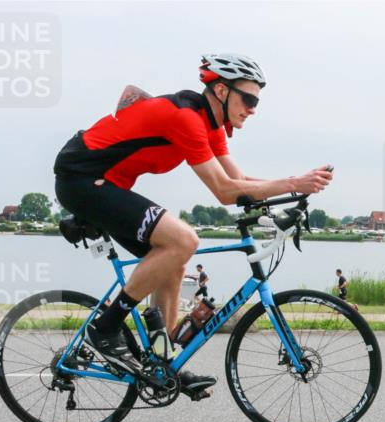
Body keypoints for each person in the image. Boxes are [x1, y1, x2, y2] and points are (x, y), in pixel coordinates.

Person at [53, 53, 332, 399]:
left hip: (108, 184)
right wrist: (293, 182)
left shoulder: (210, 126)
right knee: (183, 239)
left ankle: (162, 362)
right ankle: (106, 328)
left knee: (174, 258)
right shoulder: (185, 119)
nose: (253, 108)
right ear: (220, 91)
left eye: (256, 101)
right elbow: (225, 191)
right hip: (81, 178)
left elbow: (239, 179)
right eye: (248, 99)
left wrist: (288, 193)